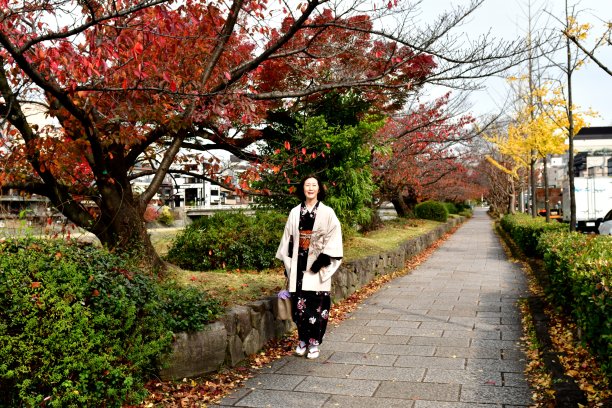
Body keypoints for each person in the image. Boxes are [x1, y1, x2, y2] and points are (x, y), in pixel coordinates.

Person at [275, 175, 343, 359]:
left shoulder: (328, 212)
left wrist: (323, 260)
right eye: (307, 185)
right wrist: (287, 261)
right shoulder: (295, 212)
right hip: (298, 264)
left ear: (319, 189)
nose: (310, 188)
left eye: (314, 185)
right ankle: (302, 340)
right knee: (299, 307)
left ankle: (314, 343)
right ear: (303, 189)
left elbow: (334, 236)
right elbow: (288, 238)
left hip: (317, 265)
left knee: (317, 307)